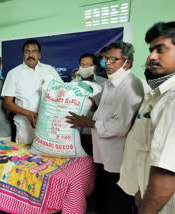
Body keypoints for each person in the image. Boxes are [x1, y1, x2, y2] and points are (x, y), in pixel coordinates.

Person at [66, 41, 144, 214]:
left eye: (113, 59)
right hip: (103, 155)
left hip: (117, 158)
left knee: (116, 203)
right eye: (105, 59)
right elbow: (101, 112)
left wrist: (90, 123)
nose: (108, 63)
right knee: (104, 198)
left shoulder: (131, 86)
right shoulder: (110, 84)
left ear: (127, 63)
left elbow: (121, 126)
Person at [118, 21, 175, 214]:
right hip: (146, 192)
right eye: (151, 50)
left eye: (161, 50)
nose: (151, 57)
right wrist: (138, 191)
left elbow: (166, 171)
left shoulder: (173, 99)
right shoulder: (159, 94)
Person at [1, 39, 62, 144]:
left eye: (34, 51)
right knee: (26, 158)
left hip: (48, 124)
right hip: (24, 126)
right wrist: (28, 114)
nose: (30, 54)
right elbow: (7, 103)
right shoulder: (14, 73)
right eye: (27, 51)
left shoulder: (49, 70)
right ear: (23, 55)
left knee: (49, 158)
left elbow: (62, 92)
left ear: (39, 55)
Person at [71, 53, 107, 155]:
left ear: (94, 67)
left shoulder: (104, 84)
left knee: (94, 165)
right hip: (74, 133)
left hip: (93, 133)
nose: (84, 67)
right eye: (82, 65)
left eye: (88, 65)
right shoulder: (72, 84)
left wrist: (94, 107)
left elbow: (108, 111)